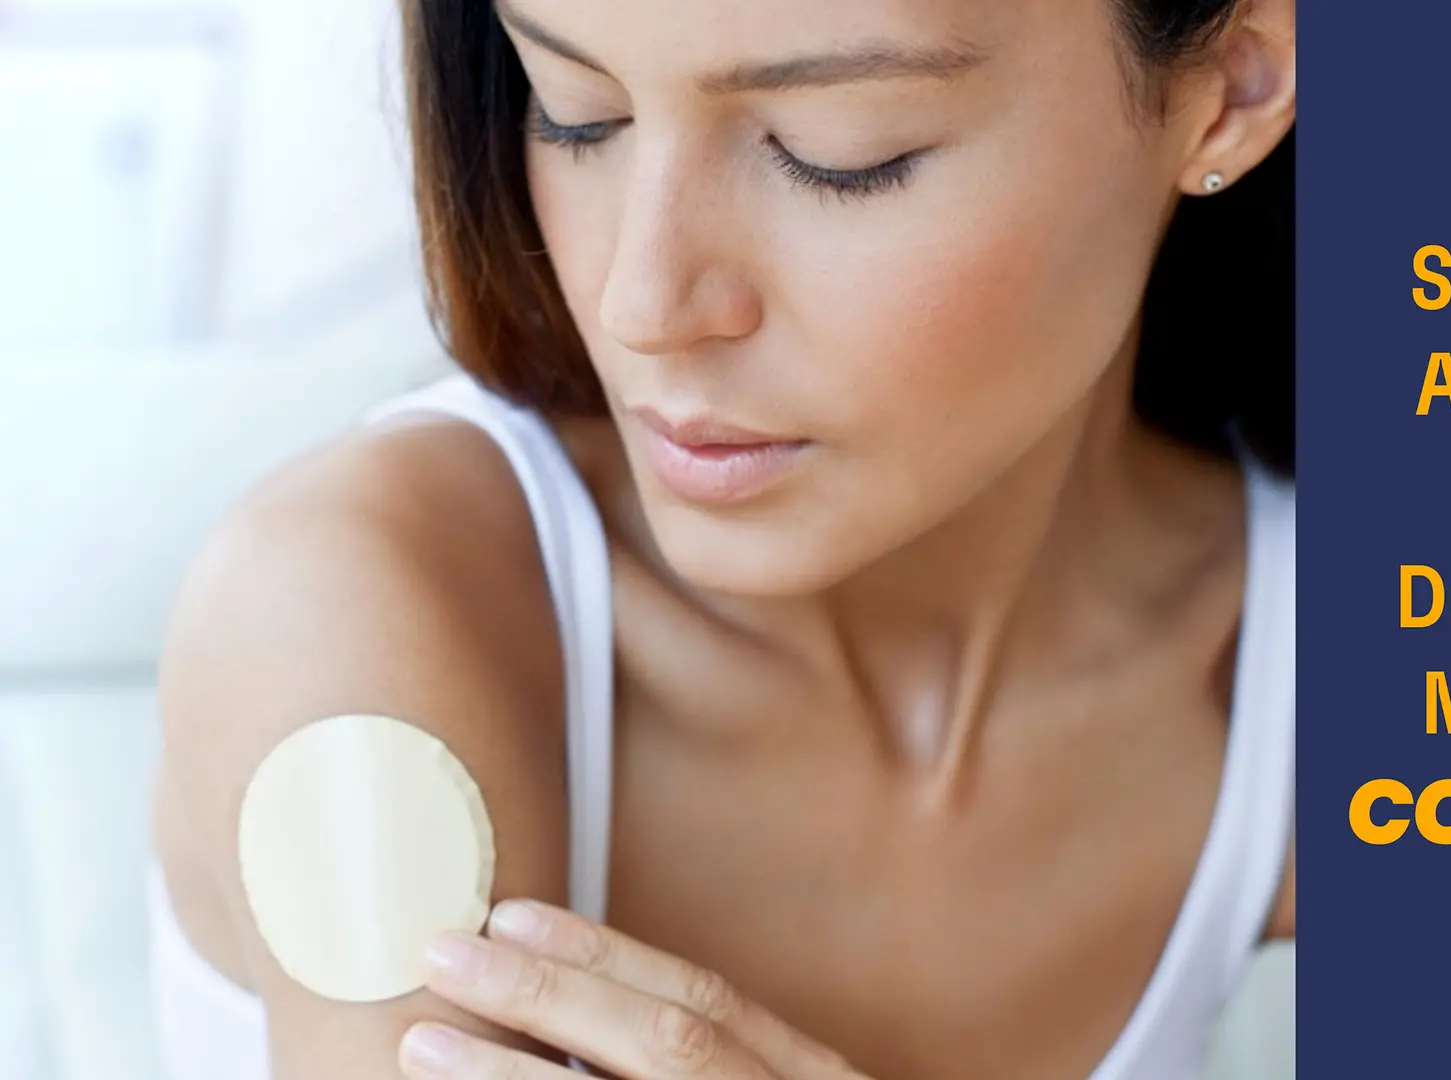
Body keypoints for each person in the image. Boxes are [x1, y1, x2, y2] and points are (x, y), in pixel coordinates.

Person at [147, 0, 1295, 1076]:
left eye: (837, 153)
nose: (640, 303)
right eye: (575, 111)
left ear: (1238, 85)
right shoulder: (354, 602)